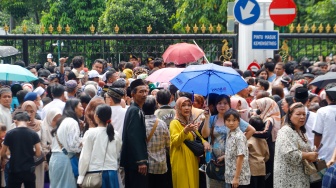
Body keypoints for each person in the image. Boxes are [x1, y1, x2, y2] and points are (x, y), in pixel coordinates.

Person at [274, 102, 318, 188]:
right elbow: (289, 154)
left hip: (301, 176)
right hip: (289, 177)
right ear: (290, 116)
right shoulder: (285, 131)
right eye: (298, 114)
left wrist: (312, 152)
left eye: (304, 114)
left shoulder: (301, 131)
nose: (302, 117)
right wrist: (308, 155)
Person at [170, 97, 210, 188]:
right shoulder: (174, 123)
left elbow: (198, 135)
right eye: (183, 105)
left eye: (189, 105)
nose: (187, 108)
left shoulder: (188, 122)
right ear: (178, 108)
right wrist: (185, 131)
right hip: (181, 160)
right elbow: (175, 142)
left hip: (192, 160)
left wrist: (204, 142)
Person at [78, 104, 122, 187]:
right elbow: (117, 154)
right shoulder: (116, 134)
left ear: (96, 117)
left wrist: (81, 176)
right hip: (112, 173)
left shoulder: (90, 133)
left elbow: (85, 157)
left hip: (95, 174)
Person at [120, 79, 149, 188]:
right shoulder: (134, 111)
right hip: (134, 162)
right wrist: (140, 160)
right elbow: (134, 136)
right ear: (133, 94)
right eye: (141, 92)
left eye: (146, 91)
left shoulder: (137, 110)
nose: (144, 94)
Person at [1, 111, 41, 188]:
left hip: (14, 168)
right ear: (28, 121)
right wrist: (32, 153)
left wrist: (7, 158)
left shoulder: (9, 133)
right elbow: (38, 153)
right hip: (29, 169)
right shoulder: (33, 134)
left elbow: (2, 153)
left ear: (15, 121)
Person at [49, 99, 84, 188]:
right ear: (74, 108)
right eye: (80, 106)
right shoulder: (72, 122)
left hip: (56, 159)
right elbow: (73, 146)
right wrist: (83, 142)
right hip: (65, 160)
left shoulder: (63, 121)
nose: (82, 108)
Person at [143, 96, 170, 188]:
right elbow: (168, 144)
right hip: (161, 165)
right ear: (156, 107)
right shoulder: (162, 123)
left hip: (145, 166)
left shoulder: (140, 123)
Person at [224, 109, 250, 188]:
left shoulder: (239, 136)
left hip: (240, 178)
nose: (231, 123)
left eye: (234, 120)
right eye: (228, 120)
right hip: (230, 175)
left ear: (238, 121)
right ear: (224, 121)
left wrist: (236, 177)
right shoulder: (230, 133)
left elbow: (240, 156)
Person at [21, 101, 45, 188]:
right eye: (26, 111)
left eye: (32, 111)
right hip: (22, 161)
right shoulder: (16, 125)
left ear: (35, 111)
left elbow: (44, 142)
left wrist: (44, 159)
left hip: (38, 161)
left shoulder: (41, 124)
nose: (29, 114)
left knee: (37, 183)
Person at [313, 85, 336, 162]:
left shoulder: (322, 111)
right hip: (328, 153)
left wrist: (315, 150)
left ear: (326, 96)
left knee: (326, 174)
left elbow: (318, 134)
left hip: (326, 154)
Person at [248, 116, 269, 188]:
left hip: (251, 168)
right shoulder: (263, 140)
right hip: (262, 167)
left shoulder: (249, 139)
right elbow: (267, 155)